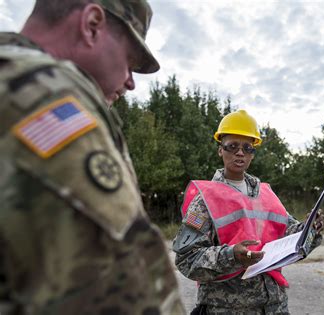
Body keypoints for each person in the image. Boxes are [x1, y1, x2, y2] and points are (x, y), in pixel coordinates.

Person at [0, 0, 185, 314]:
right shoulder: (45, 95)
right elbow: (131, 285)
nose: (130, 82)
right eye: (130, 60)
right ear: (92, 25)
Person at [173, 109, 324, 315]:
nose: (240, 152)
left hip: (275, 307)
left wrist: (310, 230)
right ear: (220, 150)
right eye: (232, 146)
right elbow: (187, 259)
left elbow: (292, 241)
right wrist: (232, 256)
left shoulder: (266, 194)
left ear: (253, 152)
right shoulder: (206, 199)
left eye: (247, 147)